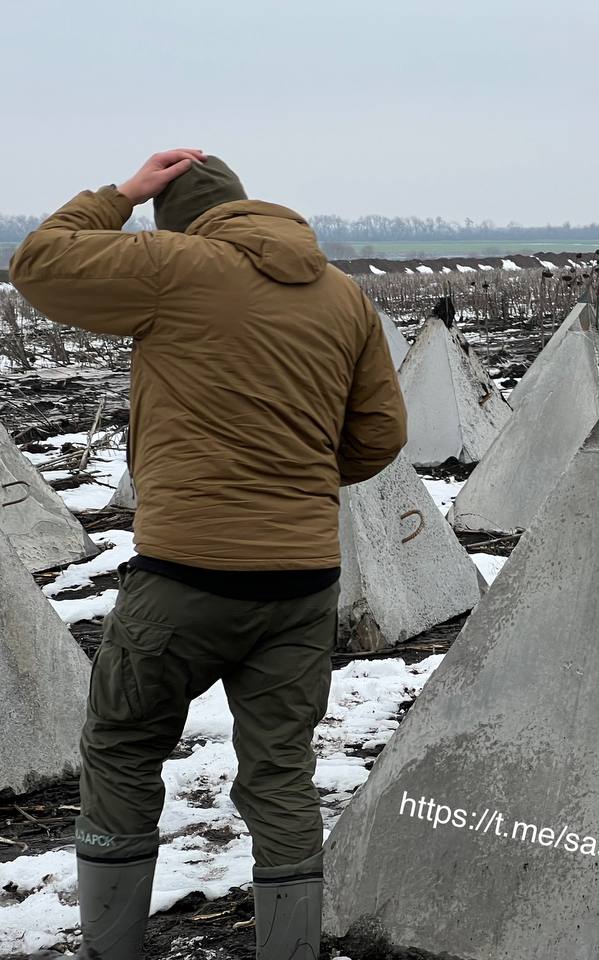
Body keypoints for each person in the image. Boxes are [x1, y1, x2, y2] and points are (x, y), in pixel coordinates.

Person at [10, 150, 407, 960]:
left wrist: (121, 194)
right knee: (281, 770)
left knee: (122, 748)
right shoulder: (343, 294)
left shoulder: (173, 264)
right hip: (302, 582)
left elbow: (39, 264)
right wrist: (291, 477)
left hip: (185, 576)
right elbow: (381, 433)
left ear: (177, 219)